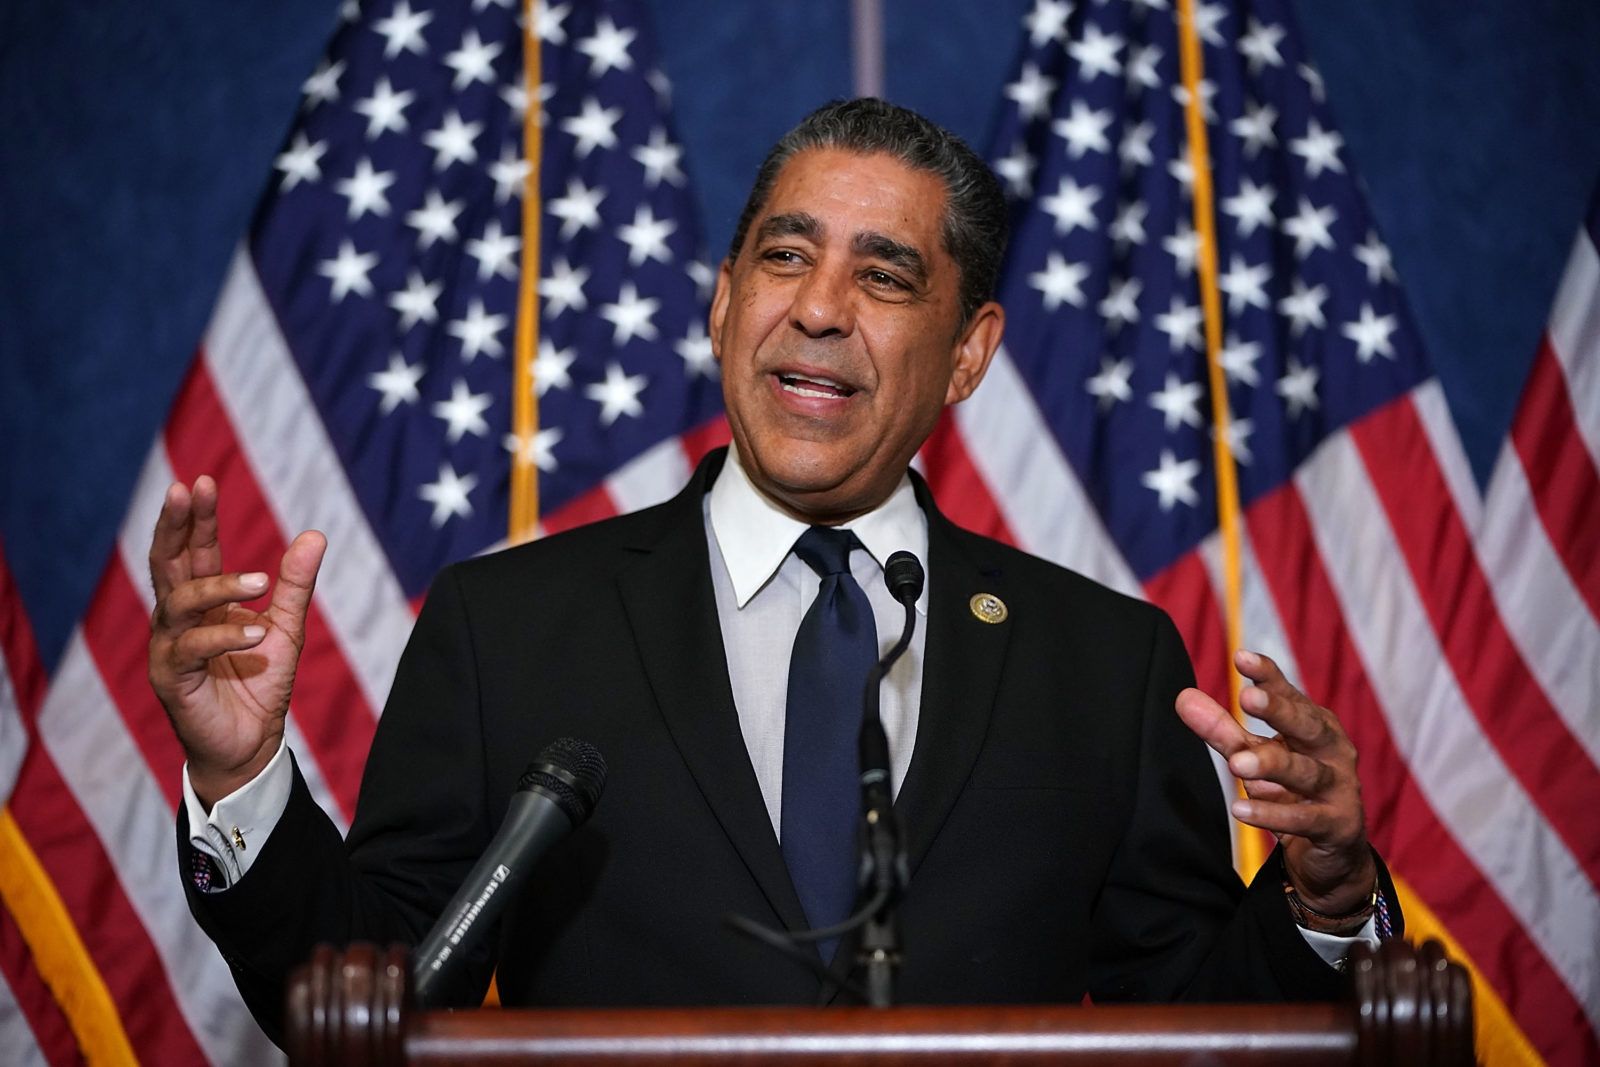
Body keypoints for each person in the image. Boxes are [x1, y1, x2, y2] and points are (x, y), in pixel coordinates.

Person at [149, 99, 1398, 1044]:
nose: (818, 308)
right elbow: (374, 997)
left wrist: (1327, 897)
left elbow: (1193, 1028)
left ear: (968, 354)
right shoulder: (507, 626)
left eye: (884, 275)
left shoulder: (1105, 664)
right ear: (722, 300)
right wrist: (241, 774)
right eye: (786, 258)